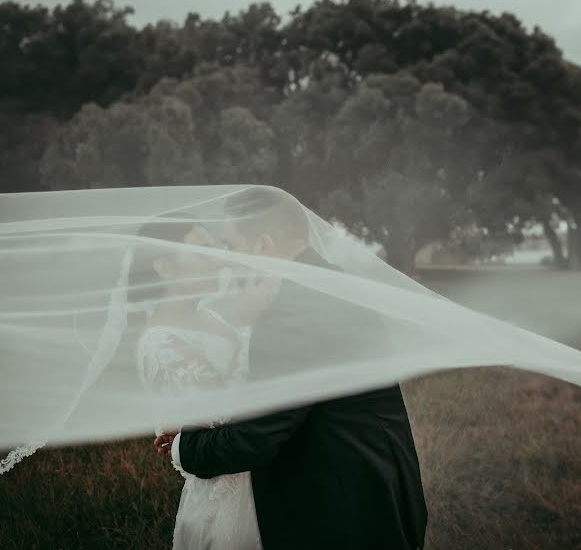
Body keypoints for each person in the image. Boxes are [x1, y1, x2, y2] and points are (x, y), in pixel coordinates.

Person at [155, 188, 428, 550]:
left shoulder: (292, 313)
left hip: (347, 509)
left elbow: (254, 440)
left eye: (233, 247)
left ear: (264, 244)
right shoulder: (328, 281)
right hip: (379, 479)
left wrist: (181, 447)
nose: (228, 261)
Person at [132, 214, 262, 549]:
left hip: (260, 483)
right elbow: (224, 417)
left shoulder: (212, 317)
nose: (218, 260)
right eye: (202, 252)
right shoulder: (160, 344)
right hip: (226, 499)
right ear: (164, 267)